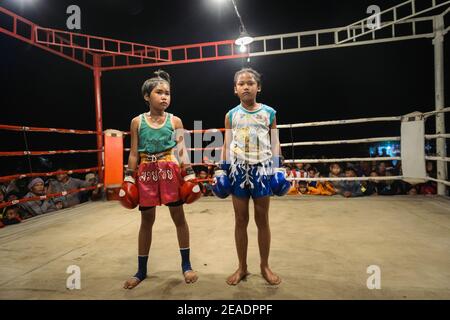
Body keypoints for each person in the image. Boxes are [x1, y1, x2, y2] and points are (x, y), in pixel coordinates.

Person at [123, 70, 198, 290]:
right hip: (146, 172)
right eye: (159, 92)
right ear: (147, 96)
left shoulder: (175, 121)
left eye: (167, 93)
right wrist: (129, 177)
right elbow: (134, 152)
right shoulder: (137, 122)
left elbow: (183, 150)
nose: (164, 96)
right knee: (146, 222)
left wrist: (190, 174)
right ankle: (141, 270)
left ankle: (186, 265)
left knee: (179, 218)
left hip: (169, 170)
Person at [220, 68, 286, 285]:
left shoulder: (269, 112)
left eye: (250, 82)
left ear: (259, 87)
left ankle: (264, 266)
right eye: (241, 83)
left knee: (262, 220)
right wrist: (221, 169)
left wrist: (278, 168)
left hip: (262, 170)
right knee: (240, 220)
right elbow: (227, 143)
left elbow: (275, 141)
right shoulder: (231, 114)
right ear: (234, 89)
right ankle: (242, 267)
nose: (246, 86)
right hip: (238, 170)